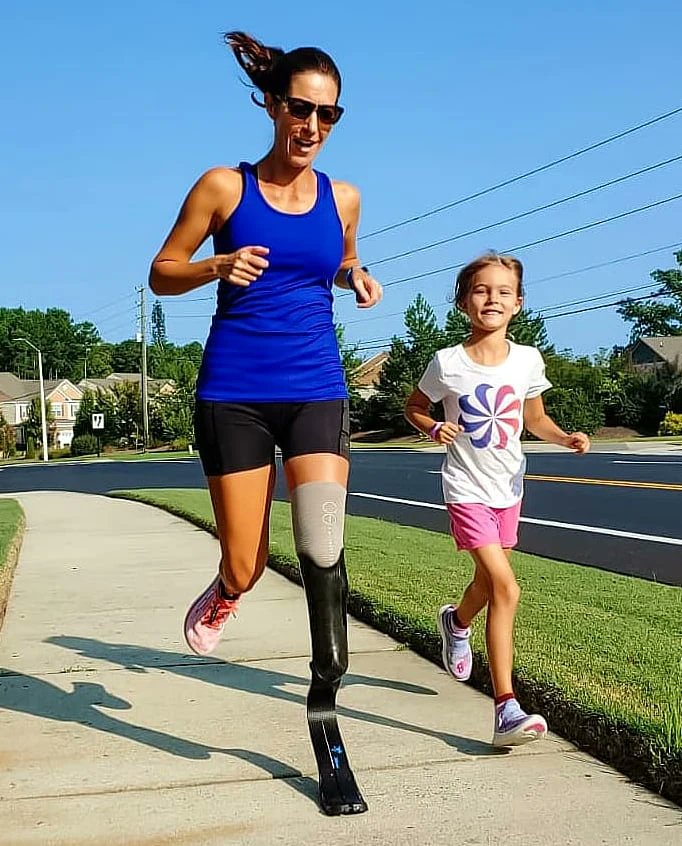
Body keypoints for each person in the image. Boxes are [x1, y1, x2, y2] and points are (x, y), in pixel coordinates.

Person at [149, 30, 381, 815]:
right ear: (272, 105)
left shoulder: (343, 196)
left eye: (328, 113)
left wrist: (356, 275)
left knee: (322, 546)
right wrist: (217, 264)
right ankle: (227, 589)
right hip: (235, 394)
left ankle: (325, 717)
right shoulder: (224, 186)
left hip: (316, 387)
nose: (312, 124)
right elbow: (161, 270)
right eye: (299, 108)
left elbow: (338, 255)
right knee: (248, 563)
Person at [404, 252, 590, 747]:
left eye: (503, 292)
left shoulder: (528, 359)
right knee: (507, 588)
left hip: (508, 488)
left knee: (488, 585)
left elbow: (534, 419)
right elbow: (415, 407)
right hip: (465, 488)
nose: (493, 298)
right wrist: (432, 425)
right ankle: (506, 707)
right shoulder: (447, 362)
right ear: (464, 301)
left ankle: (457, 620)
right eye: (482, 290)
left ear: (519, 304)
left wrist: (564, 437)